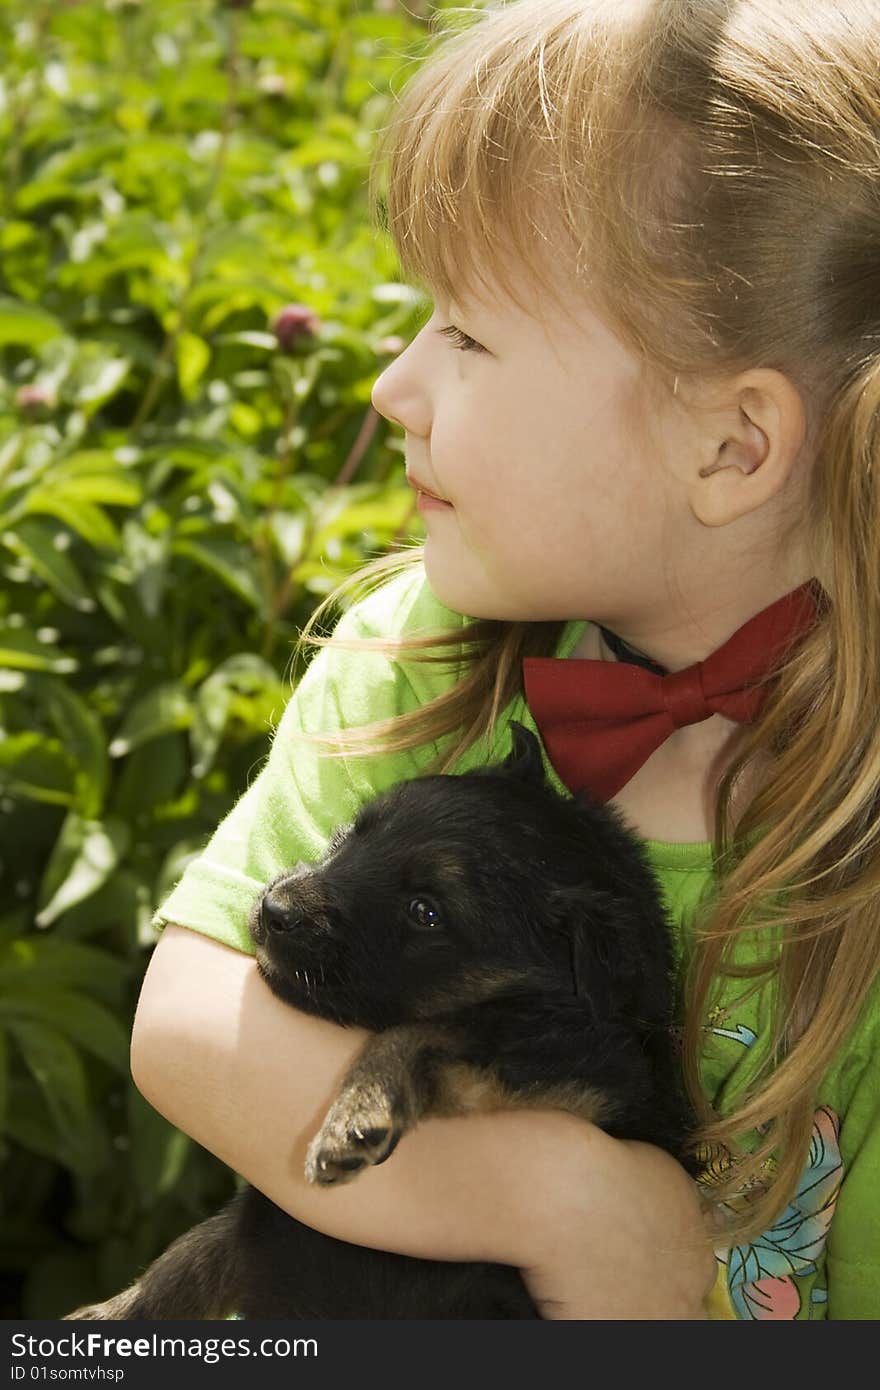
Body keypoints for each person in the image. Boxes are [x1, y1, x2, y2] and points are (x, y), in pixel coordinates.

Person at [130, 0, 880, 1319]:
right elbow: (192, 1030)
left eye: (466, 336)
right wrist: (556, 1196)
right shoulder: (418, 660)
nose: (392, 386)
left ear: (730, 447)